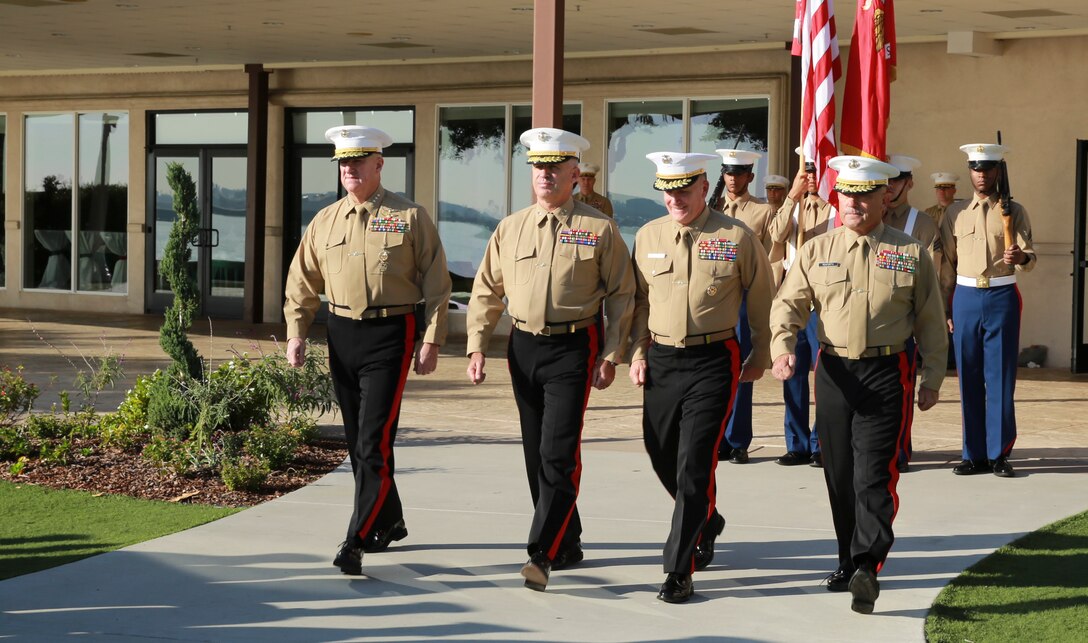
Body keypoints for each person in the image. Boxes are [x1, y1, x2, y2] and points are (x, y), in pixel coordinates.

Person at [769, 155, 947, 615]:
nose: (854, 203)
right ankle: (848, 560)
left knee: (873, 474)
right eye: (846, 194)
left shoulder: (909, 253)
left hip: (887, 372)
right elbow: (789, 304)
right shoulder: (815, 249)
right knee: (839, 472)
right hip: (833, 373)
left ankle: (868, 562)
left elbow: (929, 320)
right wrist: (783, 346)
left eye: (864, 195)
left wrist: (931, 378)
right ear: (838, 198)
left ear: (883, 197)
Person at [465, 127, 635, 592]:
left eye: (554, 167)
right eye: (538, 166)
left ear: (574, 174)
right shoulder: (510, 228)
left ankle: (541, 552)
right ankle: (569, 537)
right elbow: (486, 289)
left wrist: (613, 353)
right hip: (523, 348)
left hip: (573, 347)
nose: (544, 174)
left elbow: (623, 293)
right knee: (534, 452)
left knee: (558, 453)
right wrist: (478, 345)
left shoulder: (598, 228)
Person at [284, 125, 452, 576]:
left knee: (372, 440)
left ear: (379, 164)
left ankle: (355, 537)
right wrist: (296, 332)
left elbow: (437, 285)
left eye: (358, 161)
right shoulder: (325, 220)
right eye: (343, 162)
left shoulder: (410, 216)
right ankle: (389, 517)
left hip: (391, 333)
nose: (349, 168)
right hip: (341, 333)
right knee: (361, 441)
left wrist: (431, 339)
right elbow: (302, 281)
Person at [629, 152, 774, 603]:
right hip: (662, 358)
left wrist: (762, 351)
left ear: (703, 186)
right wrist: (636, 352)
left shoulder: (735, 235)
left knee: (695, 463)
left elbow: (762, 295)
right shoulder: (649, 235)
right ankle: (707, 519)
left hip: (714, 360)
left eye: (684, 190)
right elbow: (638, 303)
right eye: (667, 191)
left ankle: (678, 568)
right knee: (660, 452)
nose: (675, 198)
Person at [940, 143, 1036, 478]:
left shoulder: (1013, 210)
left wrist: (1019, 258)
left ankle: (999, 454)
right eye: (976, 169)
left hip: (1001, 296)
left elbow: (1029, 255)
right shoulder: (956, 213)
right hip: (965, 297)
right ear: (970, 172)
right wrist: (946, 307)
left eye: (988, 169)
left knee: (1000, 377)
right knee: (968, 375)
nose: (982, 175)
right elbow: (947, 265)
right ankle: (973, 454)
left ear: (998, 171)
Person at [766, 152, 839, 468]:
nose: (810, 176)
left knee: (825, 378)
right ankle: (796, 443)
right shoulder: (790, 207)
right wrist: (793, 197)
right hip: (794, 302)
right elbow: (775, 235)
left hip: (823, 304)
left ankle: (820, 442)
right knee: (792, 374)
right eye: (806, 170)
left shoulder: (834, 209)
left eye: (815, 170)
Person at [712, 149, 782, 464]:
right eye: (728, 172)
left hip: (743, 295)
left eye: (739, 173)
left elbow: (773, 250)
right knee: (714, 369)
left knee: (743, 368)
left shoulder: (763, 211)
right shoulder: (709, 208)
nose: (733, 178)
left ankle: (737, 440)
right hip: (713, 297)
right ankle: (718, 438)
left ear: (750, 177)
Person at [883, 154, 948, 472]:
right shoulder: (871, 218)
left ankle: (898, 451)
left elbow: (931, 282)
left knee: (900, 393)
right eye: (887, 179)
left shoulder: (920, 224)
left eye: (898, 180)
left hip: (904, 322)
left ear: (909, 182)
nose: (891, 186)